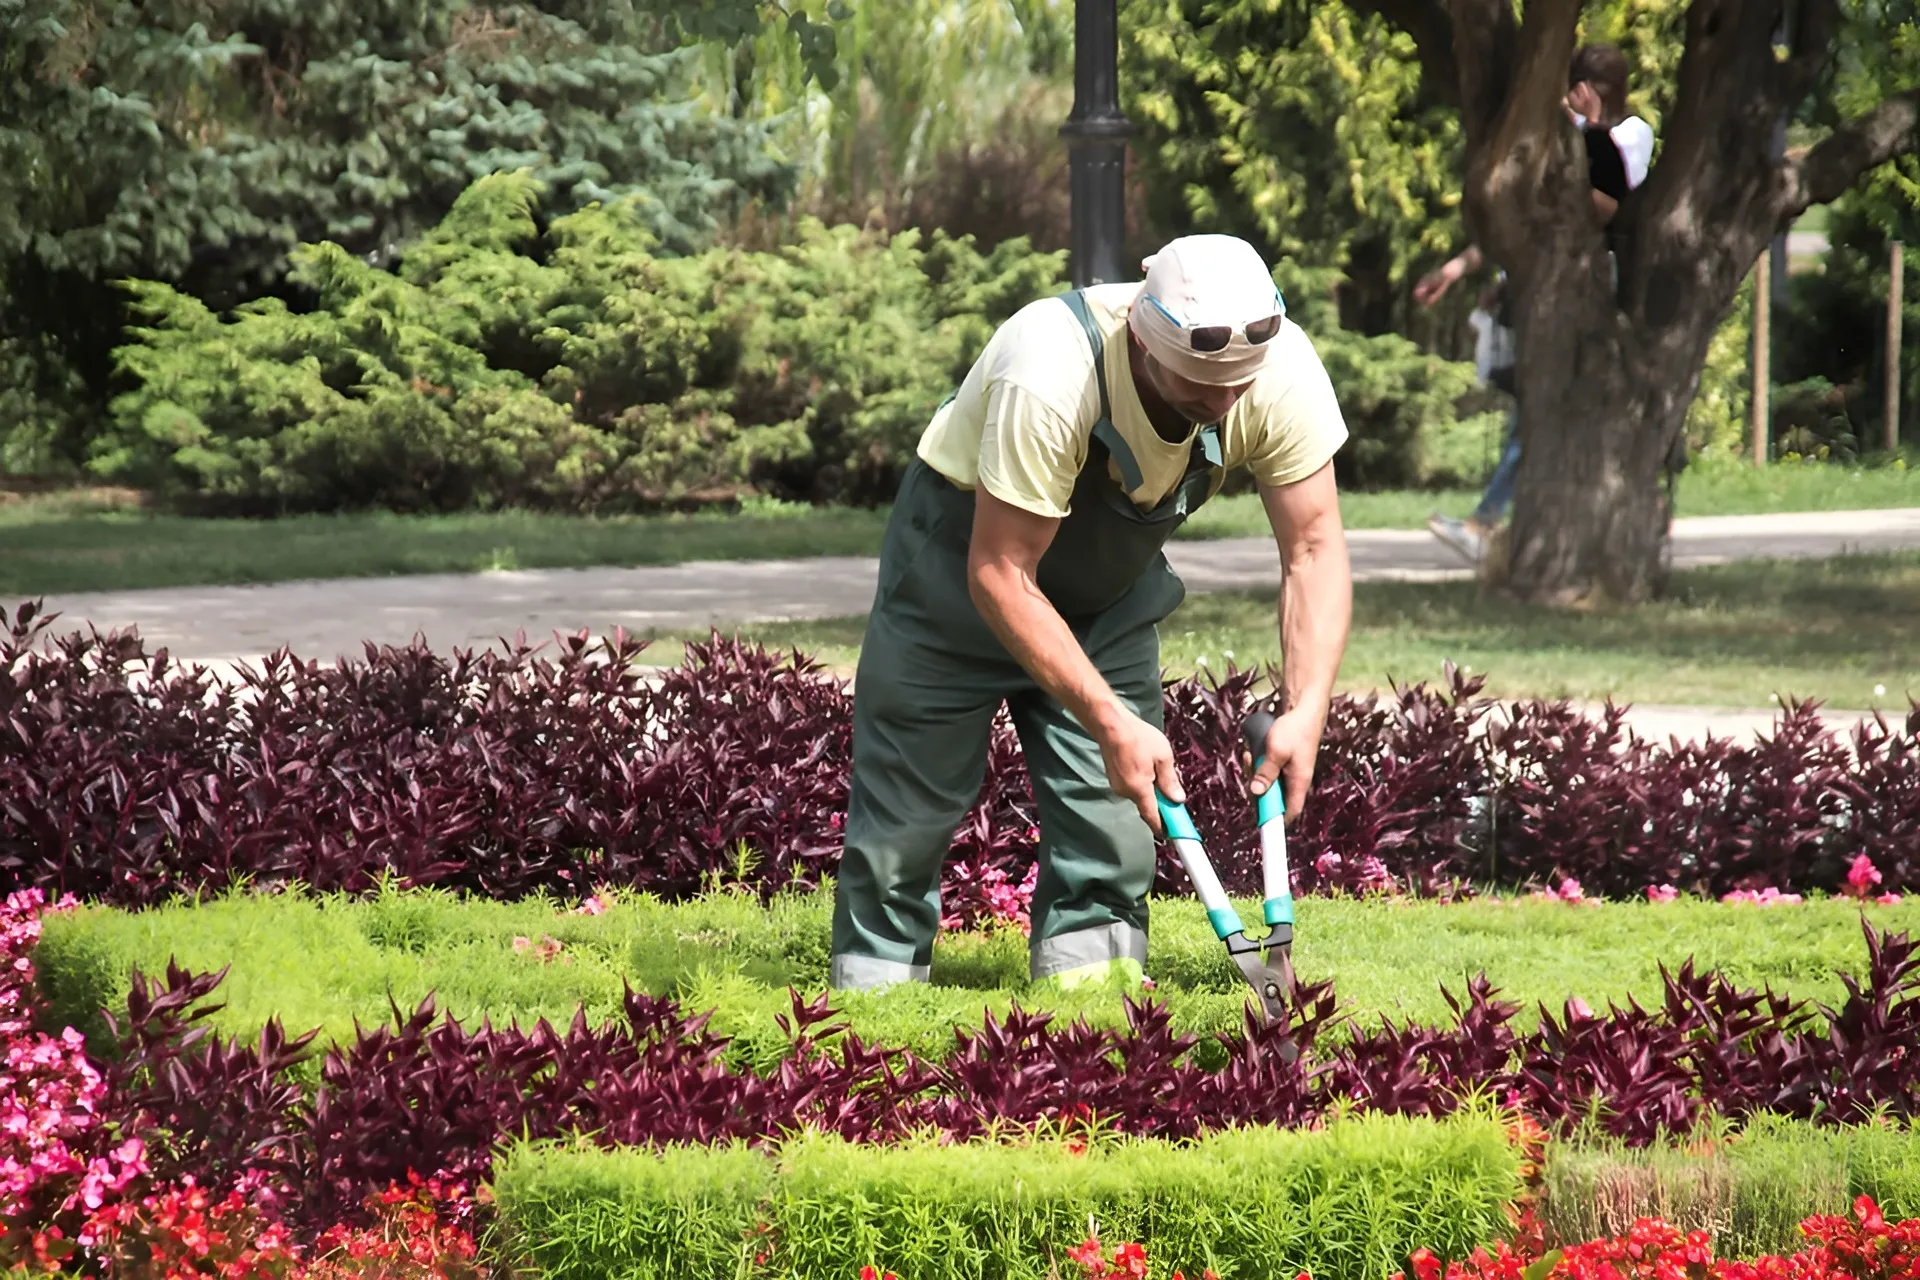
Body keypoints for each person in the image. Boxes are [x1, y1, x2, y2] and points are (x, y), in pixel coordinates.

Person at [829, 234, 1353, 991]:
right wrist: (1109, 720)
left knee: (1114, 828)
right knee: (906, 822)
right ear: (1143, 338)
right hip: (957, 582)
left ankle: (1093, 1020)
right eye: (1201, 386)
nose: (1225, 403)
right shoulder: (1050, 368)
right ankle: (873, 1016)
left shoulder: (1276, 369)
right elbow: (1001, 571)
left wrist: (1306, 709)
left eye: (1239, 386)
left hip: (1106, 600)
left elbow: (1313, 546)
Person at [1418, 43, 1655, 565]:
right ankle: (1501, 526)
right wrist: (1464, 270)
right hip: (1544, 290)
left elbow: (1603, 206)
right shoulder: (1572, 139)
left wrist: (1590, 130)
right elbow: (1533, 216)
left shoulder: (1628, 136)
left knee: (1541, 412)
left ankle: (1487, 524)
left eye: (1574, 92)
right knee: (1535, 408)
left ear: (1593, 91)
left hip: (1590, 287)